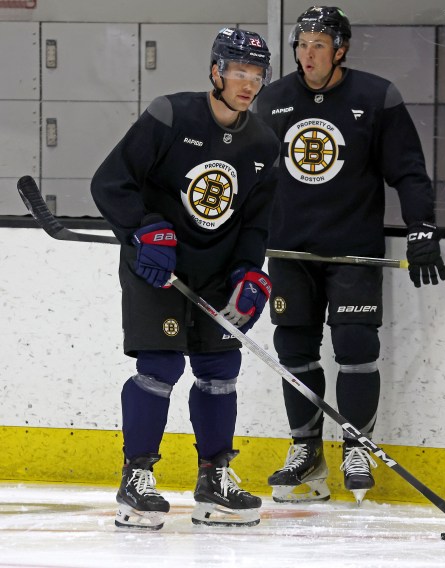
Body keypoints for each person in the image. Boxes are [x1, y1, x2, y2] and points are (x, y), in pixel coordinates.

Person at [255, 6, 445, 505]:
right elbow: (250, 176)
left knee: (357, 351)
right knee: (294, 354)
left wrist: (421, 226)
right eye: (301, 45)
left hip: (352, 253)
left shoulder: (375, 96)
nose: (307, 54)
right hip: (288, 252)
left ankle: (356, 447)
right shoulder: (271, 100)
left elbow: (407, 169)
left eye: (318, 45)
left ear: (340, 49)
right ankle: (306, 450)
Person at [91, 27, 279, 530]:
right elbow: (110, 182)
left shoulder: (264, 141)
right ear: (216, 71)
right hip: (158, 268)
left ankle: (214, 480)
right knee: (160, 366)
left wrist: (248, 270)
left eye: (256, 76)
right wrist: (144, 229)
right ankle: (136, 482)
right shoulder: (171, 114)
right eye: (239, 72)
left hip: (217, 274)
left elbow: (254, 220)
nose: (248, 84)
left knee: (220, 371)